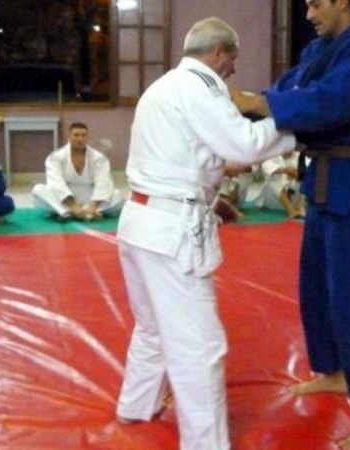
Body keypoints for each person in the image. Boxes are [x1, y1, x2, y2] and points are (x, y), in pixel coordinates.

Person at [229, 1, 350, 448]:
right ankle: (334, 371)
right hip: (323, 179)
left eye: (315, 3)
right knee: (316, 285)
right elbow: (289, 90)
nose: (308, 14)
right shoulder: (318, 51)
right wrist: (236, 123)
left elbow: (330, 103)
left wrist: (256, 102)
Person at [114, 17, 295, 450]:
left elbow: (191, 157)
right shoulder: (200, 84)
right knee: (200, 345)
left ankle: (134, 404)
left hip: (140, 222)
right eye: (231, 61)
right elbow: (245, 144)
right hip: (169, 231)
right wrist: (295, 126)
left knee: (153, 328)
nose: (232, 71)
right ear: (218, 53)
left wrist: (213, 198)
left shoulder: (162, 87)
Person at [31, 122, 125, 221]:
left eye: (83, 135)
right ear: (69, 137)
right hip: (64, 199)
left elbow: (103, 183)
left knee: (118, 195)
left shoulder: (98, 158)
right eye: (76, 135)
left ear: (87, 137)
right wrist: (74, 207)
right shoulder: (55, 157)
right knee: (38, 190)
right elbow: (55, 183)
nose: (80, 139)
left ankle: (80, 212)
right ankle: (72, 211)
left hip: (90, 196)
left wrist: (93, 206)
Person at [253, 150, 306, 218]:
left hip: (295, 197)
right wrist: (286, 171)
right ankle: (290, 210)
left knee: (309, 177)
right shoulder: (270, 154)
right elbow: (266, 167)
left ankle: (301, 206)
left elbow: (309, 169)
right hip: (274, 199)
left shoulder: (300, 155)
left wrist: (297, 174)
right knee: (274, 178)